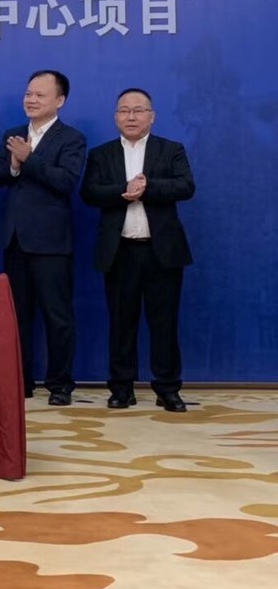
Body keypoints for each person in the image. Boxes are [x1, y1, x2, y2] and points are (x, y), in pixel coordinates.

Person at [81, 88, 195, 412]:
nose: (131, 116)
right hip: (119, 251)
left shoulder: (170, 150)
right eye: (124, 111)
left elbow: (186, 186)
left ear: (152, 116)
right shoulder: (101, 154)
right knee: (121, 323)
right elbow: (89, 192)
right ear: (116, 116)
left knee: (164, 323)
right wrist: (123, 190)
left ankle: (168, 389)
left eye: (138, 110)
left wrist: (148, 187)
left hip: (162, 252)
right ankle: (121, 388)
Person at [0, 69, 86, 406]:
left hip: (51, 242)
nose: (31, 99)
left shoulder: (71, 138)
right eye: (29, 93)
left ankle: (60, 384)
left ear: (60, 100)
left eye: (40, 95)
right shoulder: (13, 134)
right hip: (14, 239)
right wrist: (13, 166)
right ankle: (21, 381)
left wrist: (29, 160)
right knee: (17, 315)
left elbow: (65, 181)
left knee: (58, 316)